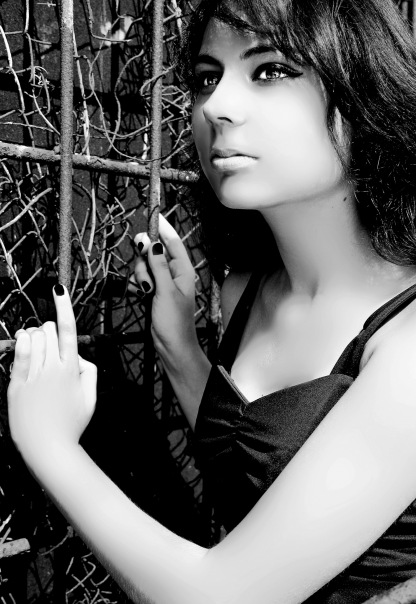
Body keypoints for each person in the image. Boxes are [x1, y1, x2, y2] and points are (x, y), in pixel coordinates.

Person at [7, 0, 416, 602]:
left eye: (270, 70)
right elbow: (256, 469)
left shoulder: (407, 348)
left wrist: (49, 445)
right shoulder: (246, 288)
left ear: (363, 92)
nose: (216, 106)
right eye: (206, 78)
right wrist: (179, 348)